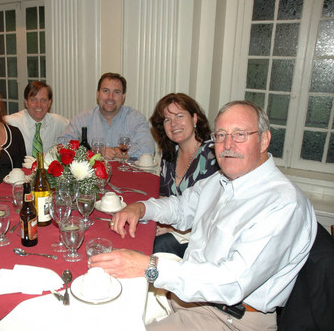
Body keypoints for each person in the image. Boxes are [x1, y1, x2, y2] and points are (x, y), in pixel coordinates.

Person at [90, 101, 317, 330]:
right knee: (100, 310)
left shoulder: (282, 204)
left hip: (228, 318)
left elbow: (232, 282)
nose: (228, 145)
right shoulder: (221, 181)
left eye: (240, 134)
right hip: (188, 297)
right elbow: (180, 207)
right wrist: (140, 207)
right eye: (221, 135)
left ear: (264, 140)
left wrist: (148, 266)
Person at [150, 93, 219, 257]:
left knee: (156, 246)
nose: (174, 124)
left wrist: (172, 228)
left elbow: (213, 213)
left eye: (179, 116)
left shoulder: (213, 154)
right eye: (167, 119)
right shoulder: (169, 155)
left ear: (195, 118)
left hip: (200, 236)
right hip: (175, 225)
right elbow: (164, 196)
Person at [59, 72, 155, 160]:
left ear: (123, 96)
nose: (110, 97)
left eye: (116, 92)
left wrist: (116, 152)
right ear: (97, 94)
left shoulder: (136, 119)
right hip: (92, 177)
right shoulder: (81, 119)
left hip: (127, 175)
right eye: (105, 91)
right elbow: (62, 145)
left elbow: (148, 150)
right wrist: (94, 151)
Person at [4, 81, 68, 156]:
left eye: (43, 100)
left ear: (49, 103)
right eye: (33, 100)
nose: (38, 105)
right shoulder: (11, 123)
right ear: (26, 102)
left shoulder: (59, 123)